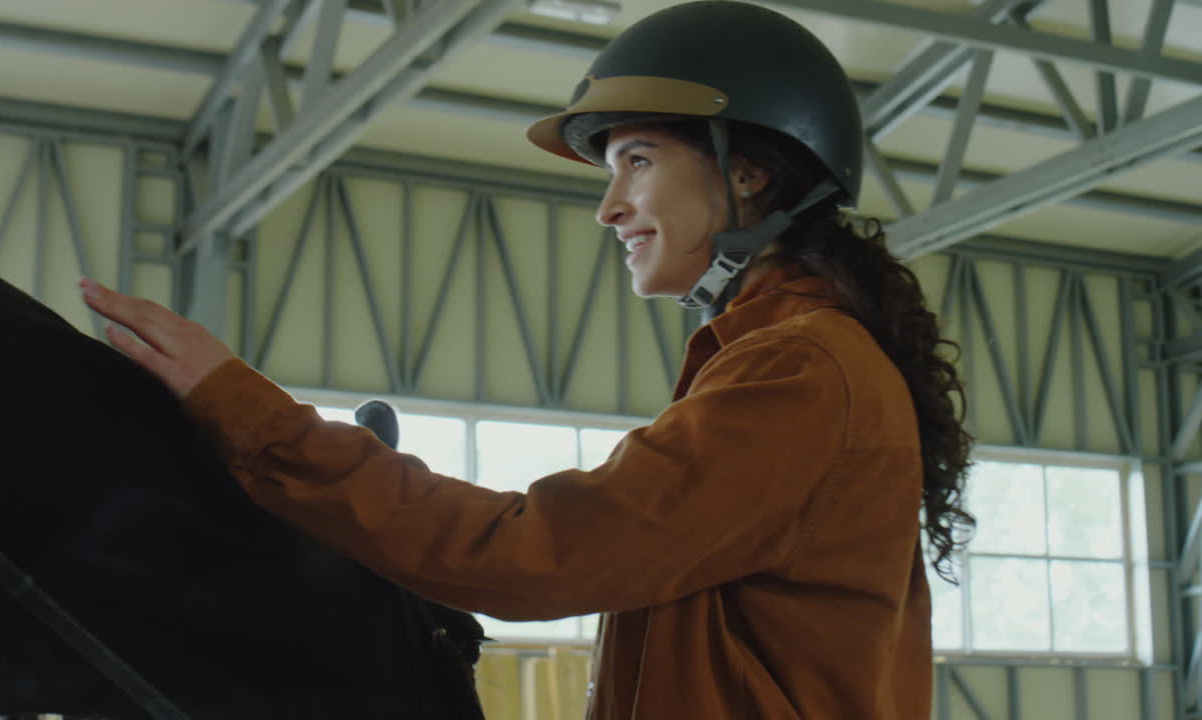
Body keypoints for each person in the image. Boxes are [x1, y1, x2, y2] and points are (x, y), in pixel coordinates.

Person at [82, 2, 974, 717]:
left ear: (746, 175)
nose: (609, 207)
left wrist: (254, 418)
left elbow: (534, 555)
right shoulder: (787, 360)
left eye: (636, 160)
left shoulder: (800, 374)